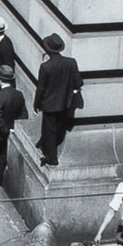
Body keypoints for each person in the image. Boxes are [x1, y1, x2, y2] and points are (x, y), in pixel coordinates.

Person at [33, 33, 83, 166]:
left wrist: (36, 104)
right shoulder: (71, 62)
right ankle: (47, 147)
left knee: (49, 131)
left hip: (49, 105)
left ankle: (52, 158)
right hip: (65, 103)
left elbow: (41, 89)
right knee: (58, 128)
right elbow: (79, 82)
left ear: (47, 50)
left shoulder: (45, 67)